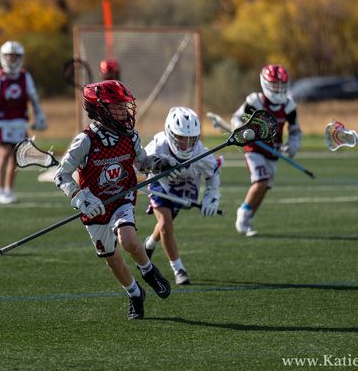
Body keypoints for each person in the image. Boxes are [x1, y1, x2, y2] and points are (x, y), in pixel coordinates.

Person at [54, 80, 179, 320]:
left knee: (129, 239)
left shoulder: (130, 136)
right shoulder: (86, 140)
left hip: (122, 197)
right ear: (99, 109)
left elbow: (141, 163)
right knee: (111, 258)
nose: (124, 111)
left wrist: (161, 162)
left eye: (124, 106)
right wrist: (79, 197)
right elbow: (62, 175)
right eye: (117, 107)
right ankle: (134, 293)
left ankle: (148, 270)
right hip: (94, 206)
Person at [143, 106, 221, 285]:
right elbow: (139, 163)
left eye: (191, 139)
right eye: (181, 138)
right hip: (160, 184)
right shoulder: (158, 145)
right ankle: (178, 268)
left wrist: (212, 196)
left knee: (166, 223)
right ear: (170, 133)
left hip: (186, 187)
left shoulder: (201, 152)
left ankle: (149, 244)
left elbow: (213, 174)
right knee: (165, 225)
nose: (186, 144)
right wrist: (157, 165)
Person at [231, 64, 301, 236]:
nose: (278, 89)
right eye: (274, 85)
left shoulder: (289, 106)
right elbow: (236, 118)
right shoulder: (256, 101)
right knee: (260, 181)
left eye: (281, 85)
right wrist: (242, 129)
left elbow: (295, 130)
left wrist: (293, 144)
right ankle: (242, 212)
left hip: (272, 151)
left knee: (265, 188)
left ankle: (248, 219)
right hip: (254, 148)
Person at [0, 41, 46, 204]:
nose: (12, 59)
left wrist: (39, 117)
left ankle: (9, 190)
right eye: (9, 56)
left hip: (20, 122)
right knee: (4, 154)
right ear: (3, 57)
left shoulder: (24, 76)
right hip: (3, 122)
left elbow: (33, 98)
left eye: (15, 56)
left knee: (16, 157)